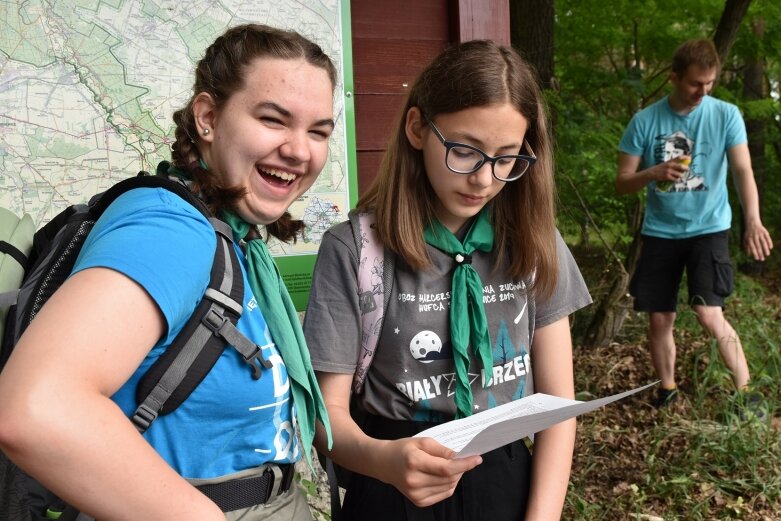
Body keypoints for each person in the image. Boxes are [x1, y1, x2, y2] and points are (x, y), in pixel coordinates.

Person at [0, 24, 336, 521]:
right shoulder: (172, 229)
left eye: (319, 131)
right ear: (207, 117)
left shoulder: (230, 232)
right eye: (273, 119)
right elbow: (36, 407)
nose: (300, 150)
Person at [303, 40, 592, 521]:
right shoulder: (356, 250)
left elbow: (556, 405)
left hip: (507, 477)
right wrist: (383, 461)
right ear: (418, 128)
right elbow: (325, 416)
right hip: (392, 479)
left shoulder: (533, 242)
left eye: (507, 158)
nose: (484, 178)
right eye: (465, 150)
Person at [616, 38, 774, 410]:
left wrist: (753, 220)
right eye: (694, 84)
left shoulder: (726, 115)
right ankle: (667, 391)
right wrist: (652, 172)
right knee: (660, 317)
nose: (703, 91)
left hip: (710, 226)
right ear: (674, 78)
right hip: (661, 230)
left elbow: (742, 169)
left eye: (710, 83)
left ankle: (745, 393)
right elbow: (622, 182)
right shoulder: (645, 121)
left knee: (708, 311)